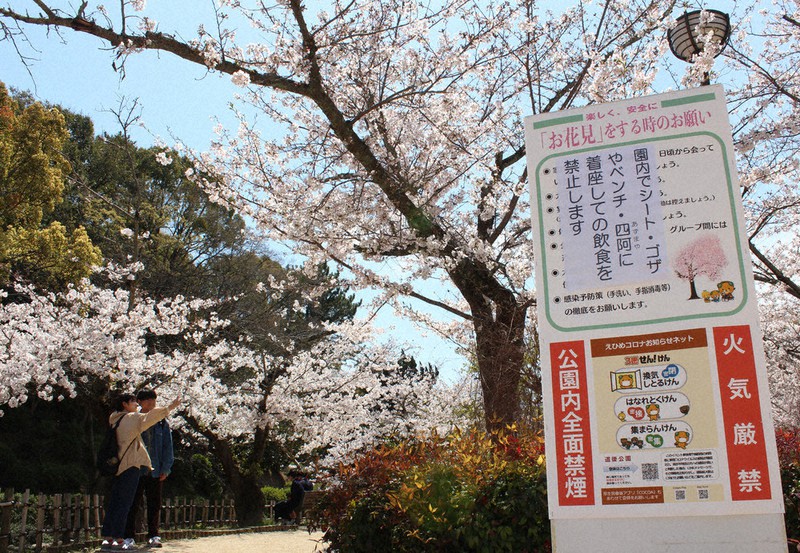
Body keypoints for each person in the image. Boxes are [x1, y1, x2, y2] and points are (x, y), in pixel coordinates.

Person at [100, 392, 180, 551]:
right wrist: (170, 407)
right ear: (125, 404)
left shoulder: (115, 418)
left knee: (116, 501)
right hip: (131, 465)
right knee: (126, 503)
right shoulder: (131, 419)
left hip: (118, 465)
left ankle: (108, 538)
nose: (136, 405)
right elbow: (148, 418)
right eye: (133, 402)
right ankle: (121, 539)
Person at [123, 390, 175, 549]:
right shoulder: (133, 419)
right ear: (139, 402)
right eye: (148, 400)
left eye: (153, 400)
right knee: (132, 503)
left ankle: (154, 535)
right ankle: (128, 537)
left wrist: (166, 468)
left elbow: (168, 446)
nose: (152, 403)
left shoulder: (161, 423)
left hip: (155, 469)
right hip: (136, 468)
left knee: (155, 504)